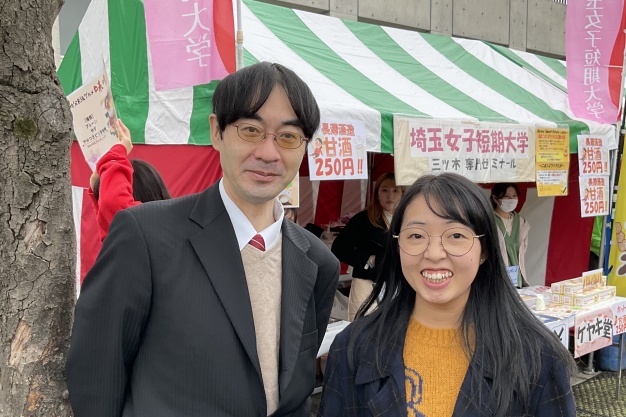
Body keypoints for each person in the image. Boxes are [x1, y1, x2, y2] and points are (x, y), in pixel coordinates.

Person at [66, 62, 341, 417]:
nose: (268, 153)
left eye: (288, 137)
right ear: (216, 132)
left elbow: (293, 391)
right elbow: (95, 373)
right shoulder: (145, 235)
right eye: (251, 130)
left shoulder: (318, 262)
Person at [319, 173, 576, 417]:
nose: (434, 253)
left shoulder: (538, 356)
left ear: (485, 250)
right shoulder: (352, 348)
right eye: (416, 235)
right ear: (397, 246)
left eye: (456, 235)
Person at [331, 172, 402, 320]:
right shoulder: (363, 219)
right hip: (367, 282)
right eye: (384, 190)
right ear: (377, 194)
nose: (390, 196)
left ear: (402, 194)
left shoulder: (408, 219)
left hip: (397, 283)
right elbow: (339, 248)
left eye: (395, 190)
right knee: (362, 326)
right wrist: (368, 259)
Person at [89, 119, 171, 241]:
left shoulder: (144, 229)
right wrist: (97, 187)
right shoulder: (165, 231)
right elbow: (108, 219)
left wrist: (116, 156)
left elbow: (112, 203)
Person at [490, 183, 530, 287]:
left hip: (516, 275)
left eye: (514, 196)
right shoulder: (488, 221)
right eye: (506, 196)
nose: (511, 200)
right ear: (495, 199)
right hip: (495, 274)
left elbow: (523, 249)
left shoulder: (521, 222)